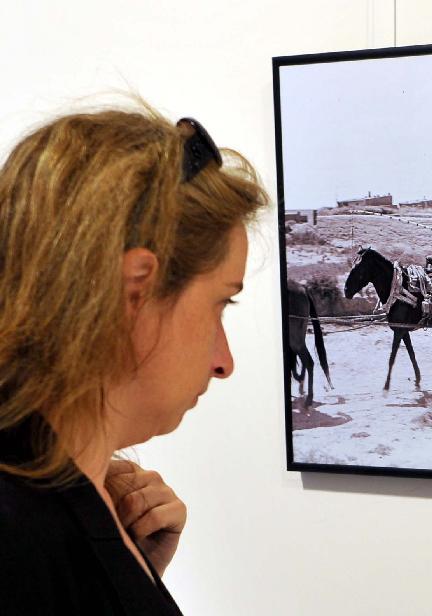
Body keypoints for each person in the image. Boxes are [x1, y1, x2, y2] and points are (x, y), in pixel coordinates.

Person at [0, 106, 267, 613]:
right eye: (220, 303)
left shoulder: (68, 502)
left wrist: (131, 578)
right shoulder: (18, 539)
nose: (224, 362)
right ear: (135, 291)